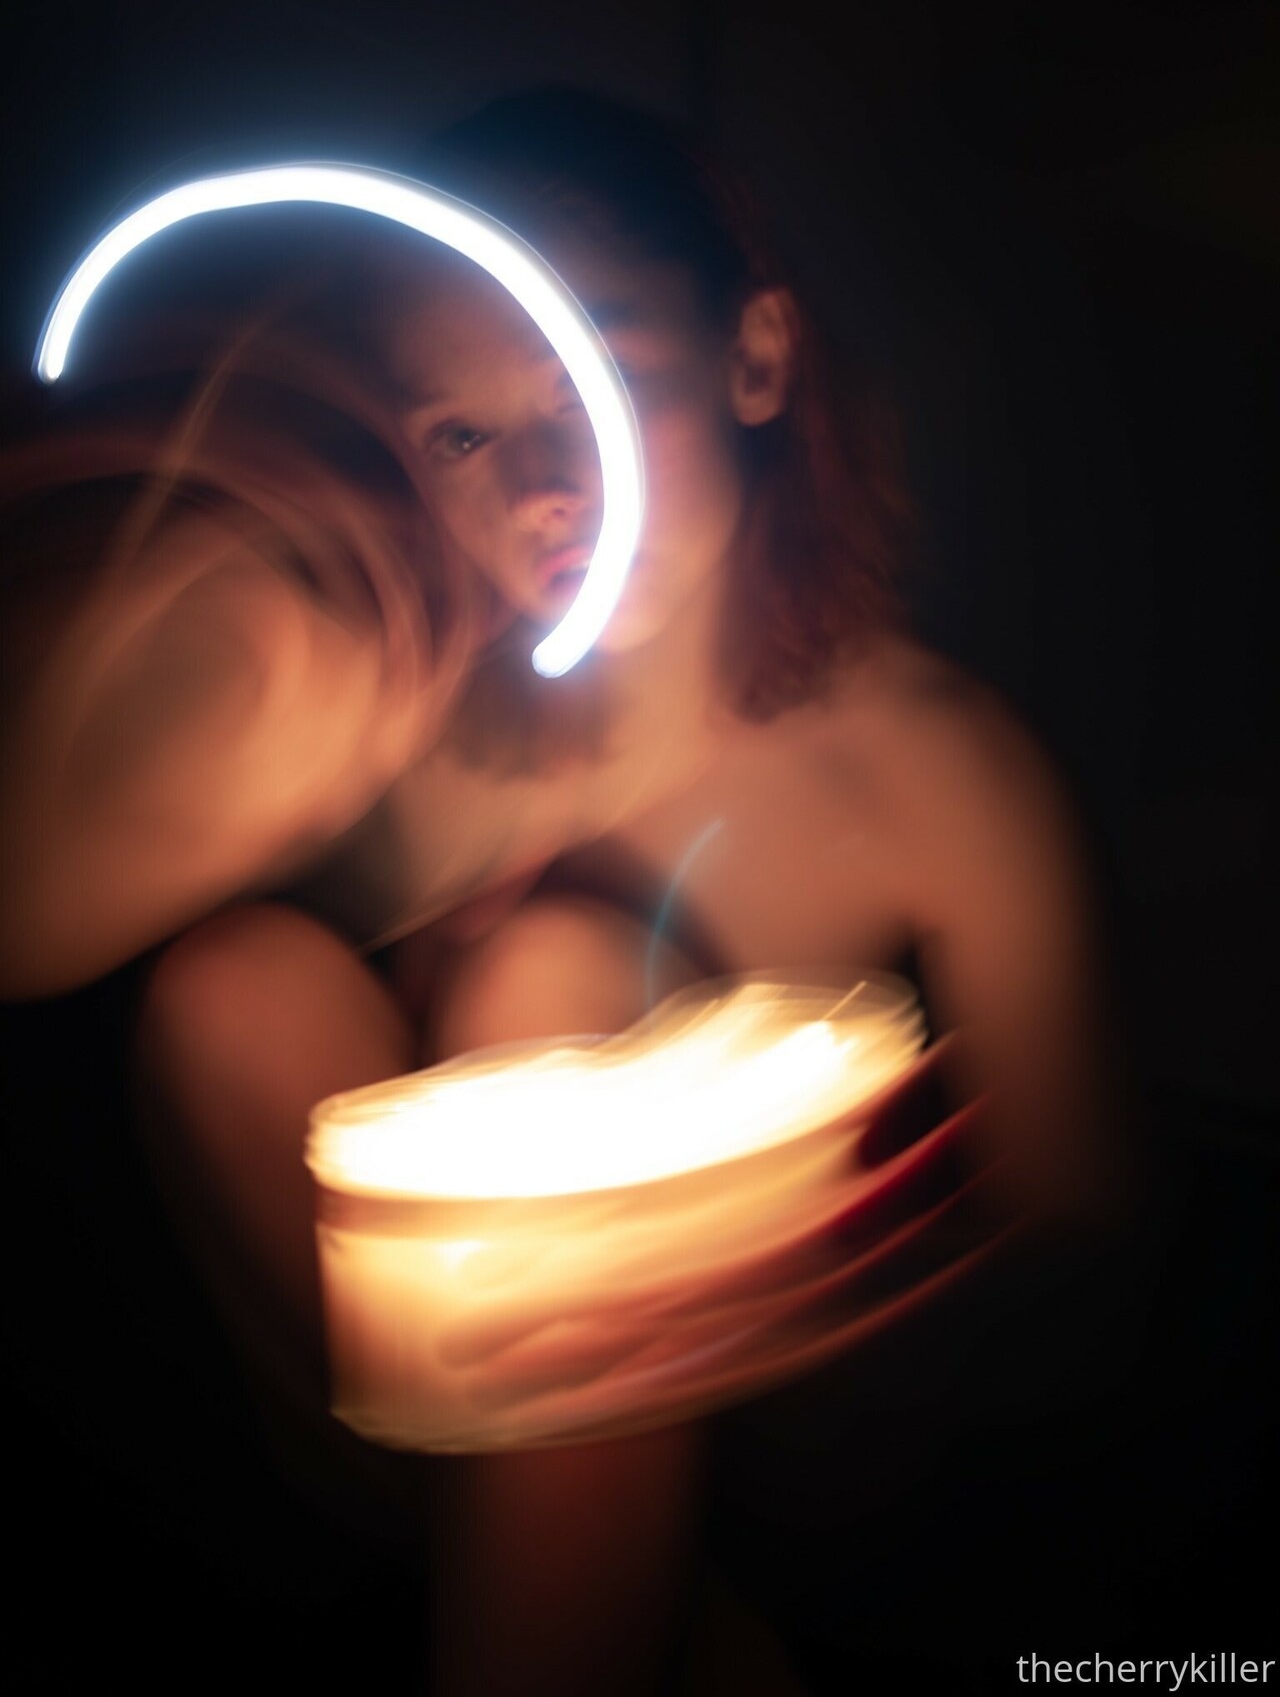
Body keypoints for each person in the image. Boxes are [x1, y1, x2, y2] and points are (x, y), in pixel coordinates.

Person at [0, 89, 1126, 1693]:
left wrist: (819, 1256)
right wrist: (174, 715)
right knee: (231, 984)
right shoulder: (369, 706)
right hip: (420, 1460)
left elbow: (1082, 1249)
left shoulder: (930, 769)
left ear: (755, 358)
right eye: (459, 434)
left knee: (554, 982)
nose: (541, 484)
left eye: (595, 374)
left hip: (796, 1465)